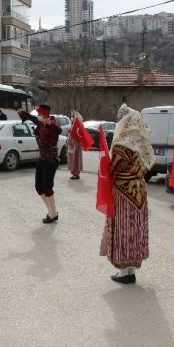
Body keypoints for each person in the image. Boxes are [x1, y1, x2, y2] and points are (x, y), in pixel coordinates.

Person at [99, 104, 155, 284]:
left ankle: (124, 273)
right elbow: (147, 168)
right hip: (140, 192)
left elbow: (113, 169)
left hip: (123, 192)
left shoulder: (121, 145)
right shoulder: (142, 144)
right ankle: (131, 270)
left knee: (123, 228)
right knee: (135, 228)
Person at [18, 105, 63, 223]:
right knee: (39, 187)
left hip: (51, 160)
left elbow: (59, 130)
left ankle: (53, 214)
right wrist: (24, 114)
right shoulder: (41, 123)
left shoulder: (52, 122)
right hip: (42, 159)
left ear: (44, 113)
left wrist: (50, 125)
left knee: (47, 187)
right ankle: (51, 212)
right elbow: (34, 120)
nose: (37, 114)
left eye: (39, 112)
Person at [67, 109, 92, 180]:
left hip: (76, 144)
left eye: (73, 116)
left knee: (76, 159)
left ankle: (76, 173)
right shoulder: (73, 124)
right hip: (71, 144)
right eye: (71, 116)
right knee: (72, 158)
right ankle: (74, 173)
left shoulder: (78, 124)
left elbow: (79, 135)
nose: (72, 117)